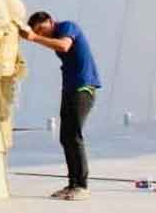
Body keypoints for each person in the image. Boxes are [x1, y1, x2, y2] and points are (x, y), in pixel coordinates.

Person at [19, 11, 101, 201]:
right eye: (37, 30)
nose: (42, 33)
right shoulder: (53, 36)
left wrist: (33, 37)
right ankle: (73, 183)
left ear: (50, 21)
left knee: (74, 135)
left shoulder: (66, 27)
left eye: (42, 28)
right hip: (70, 88)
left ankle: (81, 185)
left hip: (83, 88)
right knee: (66, 137)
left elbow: (64, 46)